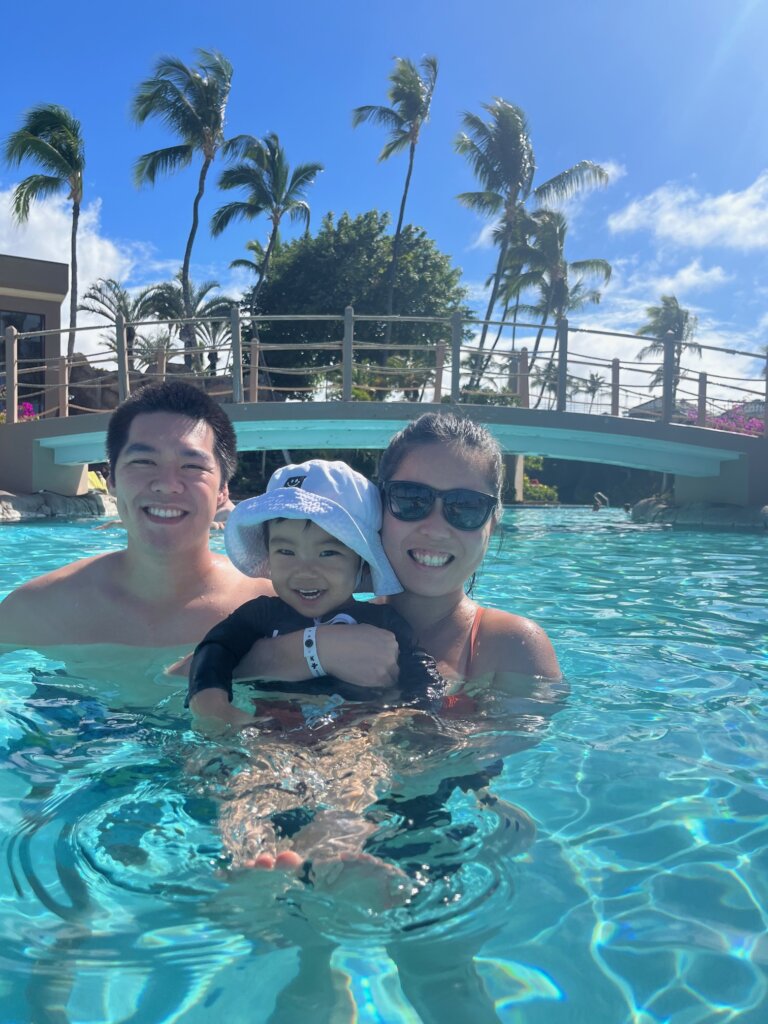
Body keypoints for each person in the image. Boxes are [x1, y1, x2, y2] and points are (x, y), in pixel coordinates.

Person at [189, 458, 444, 878]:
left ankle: (334, 852)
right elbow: (215, 649)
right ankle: (250, 862)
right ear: (267, 557)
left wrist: (416, 711)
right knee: (252, 784)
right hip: (272, 730)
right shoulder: (258, 616)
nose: (305, 569)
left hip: (353, 728)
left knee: (357, 775)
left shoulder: (381, 623)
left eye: (328, 551)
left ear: (362, 562)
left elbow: (421, 668)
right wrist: (210, 702)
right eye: (285, 550)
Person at [0, 380, 273, 657]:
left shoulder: (272, 609)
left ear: (222, 490)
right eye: (143, 462)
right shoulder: (39, 609)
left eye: (192, 466)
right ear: (112, 480)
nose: (167, 484)